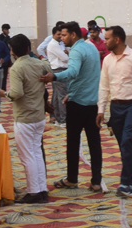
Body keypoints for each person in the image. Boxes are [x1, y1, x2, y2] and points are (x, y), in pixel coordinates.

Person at [40, 21, 103, 192]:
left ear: (73, 35)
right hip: (92, 102)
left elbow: (73, 72)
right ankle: (96, 181)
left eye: (64, 35)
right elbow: (89, 75)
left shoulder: (76, 50)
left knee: (73, 142)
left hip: (78, 105)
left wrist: (54, 77)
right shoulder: (91, 47)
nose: (61, 38)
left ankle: (72, 179)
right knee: (94, 143)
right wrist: (73, 92)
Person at [98, 25, 132, 198]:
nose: (104, 42)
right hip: (116, 107)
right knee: (124, 146)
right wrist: (101, 110)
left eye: (107, 38)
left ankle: (127, 182)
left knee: (127, 141)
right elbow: (104, 86)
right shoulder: (107, 60)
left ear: (117, 40)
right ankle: (131, 182)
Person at [0, 34, 51, 204]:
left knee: (27, 156)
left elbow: (17, 93)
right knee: (36, 153)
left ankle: (33, 191)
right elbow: (49, 68)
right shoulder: (39, 64)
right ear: (28, 48)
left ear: (12, 51)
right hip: (39, 115)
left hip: (24, 118)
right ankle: (41, 189)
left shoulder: (16, 68)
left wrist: (5, 94)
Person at [45, 24, 70, 126]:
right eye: (58, 34)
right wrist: (68, 54)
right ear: (53, 34)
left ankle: (57, 118)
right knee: (62, 96)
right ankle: (63, 120)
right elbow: (65, 58)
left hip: (58, 70)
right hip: (58, 70)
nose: (60, 36)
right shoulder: (53, 44)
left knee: (56, 96)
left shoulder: (59, 44)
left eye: (61, 34)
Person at [0, 24, 14, 92]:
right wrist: (6, 38)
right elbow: (1, 45)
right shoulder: (0, 37)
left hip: (7, 59)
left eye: (7, 30)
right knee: (0, 75)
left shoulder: (8, 38)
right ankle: (0, 88)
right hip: (1, 58)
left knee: (5, 75)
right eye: (6, 29)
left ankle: (4, 89)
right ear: (3, 30)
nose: (7, 31)